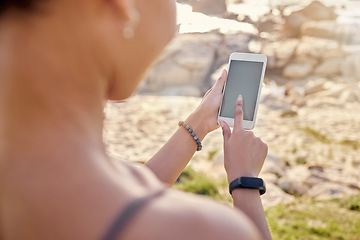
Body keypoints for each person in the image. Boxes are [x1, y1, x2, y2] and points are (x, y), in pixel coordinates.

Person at [0, 0, 272, 239]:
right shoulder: (202, 231)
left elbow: (123, 188)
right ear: (122, 4)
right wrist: (244, 181)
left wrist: (199, 123)